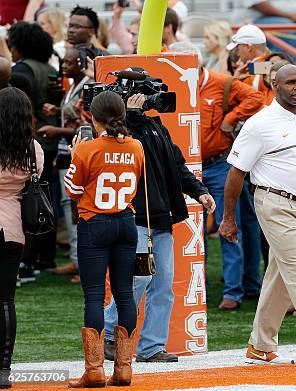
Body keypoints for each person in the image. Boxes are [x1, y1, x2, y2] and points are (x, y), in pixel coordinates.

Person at [219, 64, 296, 365]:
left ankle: (260, 346)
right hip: (274, 203)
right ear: (274, 85)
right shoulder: (258, 124)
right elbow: (236, 173)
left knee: (281, 274)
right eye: (290, 82)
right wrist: (228, 218)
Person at [104, 91, 215, 363]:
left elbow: (178, 166)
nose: (148, 102)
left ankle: (152, 347)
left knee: (163, 285)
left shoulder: (157, 127)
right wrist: (129, 117)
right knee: (139, 278)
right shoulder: (117, 130)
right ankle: (107, 331)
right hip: (135, 217)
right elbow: (117, 152)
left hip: (162, 219)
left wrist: (199, 191)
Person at [65, 91, 144, 388]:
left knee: (95, 297)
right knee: (125, 294)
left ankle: (95, 370)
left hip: (94, 222)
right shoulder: (136, 146)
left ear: (92, 116)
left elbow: (72, 189)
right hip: (125, 221)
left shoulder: (87, 148)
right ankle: (123, 369)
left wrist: (76, 154)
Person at [200, 63, 264, 310]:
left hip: (217, 164)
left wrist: (231, 116)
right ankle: (198, 288)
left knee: (230, 224)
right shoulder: (178, 82)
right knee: (194, 232)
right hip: (190, 166)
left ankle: (233, 292)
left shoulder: (222, 82)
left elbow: (255, 97)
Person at [38, 46, 95, 281]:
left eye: (69, 63)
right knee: (69, 204)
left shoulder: (89, 86)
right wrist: (58, 109)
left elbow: (88, 125)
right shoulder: (74, 84)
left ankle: (84, 264)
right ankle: (76, 259)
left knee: (77, 208)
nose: (64, 67)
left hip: (79, 153)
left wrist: (56, 130)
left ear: (82, 63)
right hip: (67, 152)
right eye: (63, 63)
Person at [0, 87, 44, 390]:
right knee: (5, 301)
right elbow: (35, 180)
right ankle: (3, 367)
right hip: (13, 228)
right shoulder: (33, 150)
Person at [8, 21, 59, 280]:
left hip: (27, 140)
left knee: (25, 201)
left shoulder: (22, 70)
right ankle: (44, 257)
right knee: (41, 199)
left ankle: (26, 262)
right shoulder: (50, 68)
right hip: (45, 142)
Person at [227, 25, 271, 94]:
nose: (238, 54)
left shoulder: (248, 73)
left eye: (238, 48)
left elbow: (231, 98)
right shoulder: (272, 64)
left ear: (248, 47)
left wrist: (236, 77)